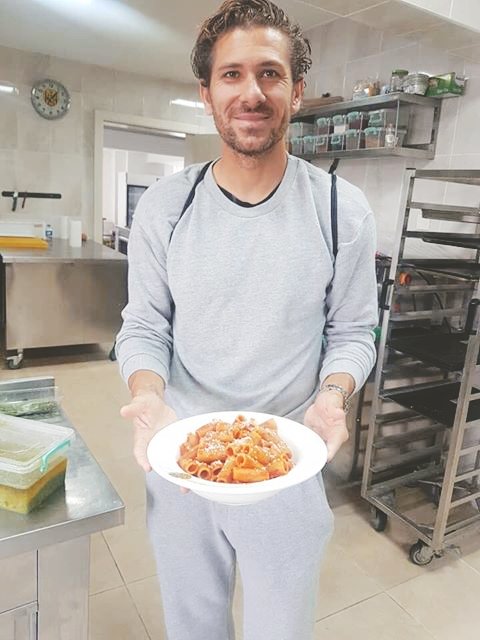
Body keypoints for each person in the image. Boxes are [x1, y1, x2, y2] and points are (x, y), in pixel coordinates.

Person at [116, 1, 378, 638]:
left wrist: (333, 395)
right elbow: (145, 324)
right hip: (183, 463)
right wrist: (148, 395)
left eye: (270, 73)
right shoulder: (166, 207)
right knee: (193, 628)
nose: (252, 93)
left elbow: (353, 332)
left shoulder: (341, 209)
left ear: (297, 90)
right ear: (206, 94)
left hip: (287, 463)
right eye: (231, 75)